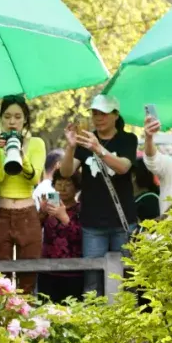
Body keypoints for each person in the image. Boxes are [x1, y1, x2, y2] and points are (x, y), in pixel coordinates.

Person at [59, 94, 138, 296]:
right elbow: (66, 172)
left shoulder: (127, 139)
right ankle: (94, 323)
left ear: (115, 115)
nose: (98, 118)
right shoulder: (85, 140)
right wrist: (71, 146)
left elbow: (123, 167)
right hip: (92, 222)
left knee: (125, 281)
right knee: (93, 283)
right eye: (94, 113)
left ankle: (126, 324)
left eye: (103, 113)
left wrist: (98, 148)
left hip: (122, 221)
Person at [0, 95, 47, 294]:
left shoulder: (36, 143)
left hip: (27, 212)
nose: (12, 121)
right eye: (7, 116)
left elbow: (34, 179)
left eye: (18, 117)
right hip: (1, 212)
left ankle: (25, 320)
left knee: (28, 273)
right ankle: (1, 320)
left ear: (25, 119)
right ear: (0, 119)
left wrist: (20, 153)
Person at [38, 169, 83, 304]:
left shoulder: (81, 209)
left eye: (68, 184)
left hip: (73, 273)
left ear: (76, 188)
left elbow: (80, 236)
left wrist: (64, 218)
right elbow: (33, 231)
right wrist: (42, 213)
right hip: (48, 271)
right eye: (59, 183)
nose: (62, 188)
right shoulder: (48, 208)